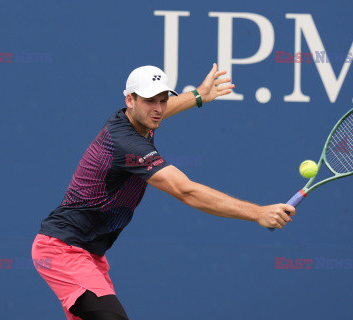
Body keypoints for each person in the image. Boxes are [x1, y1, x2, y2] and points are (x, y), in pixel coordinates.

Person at [31, 63, 296, 320]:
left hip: (89, 253)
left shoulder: (132, 119)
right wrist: (257, 212)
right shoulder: (129, 145)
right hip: (61, 249)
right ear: (130, 99)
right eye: (150, 101)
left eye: (162, 100)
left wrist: (198, 96)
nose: (158, 109)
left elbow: (156, 112)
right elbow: (186, 191)